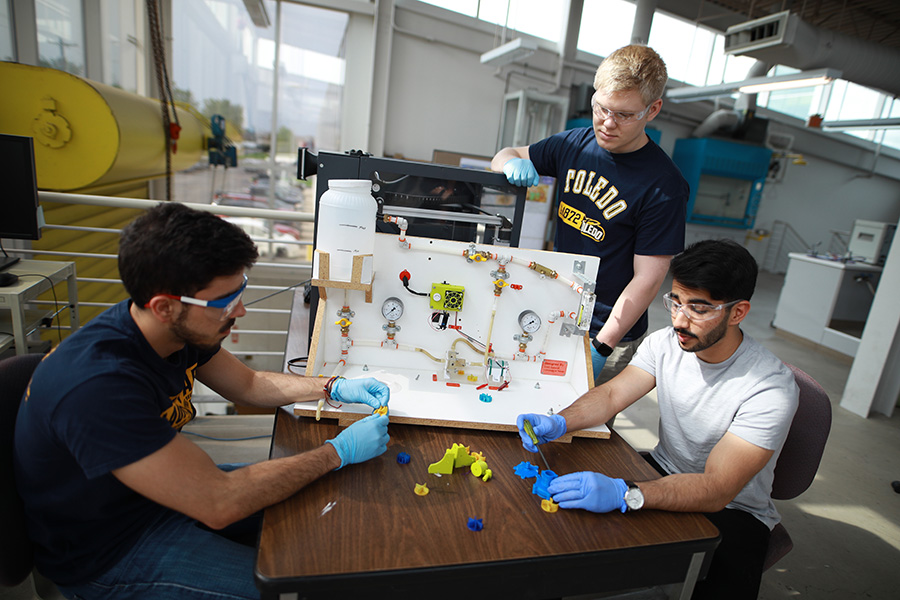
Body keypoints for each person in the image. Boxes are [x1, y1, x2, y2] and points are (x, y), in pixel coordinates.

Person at [14, 202, 391, 600]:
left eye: (240, 292)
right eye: (225, 303)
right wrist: (335, 452)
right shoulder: (95, 387)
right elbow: (219, 501)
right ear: (164, 306)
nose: (240, 310)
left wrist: (331, 387)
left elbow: (247, 383)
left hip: (155, 496)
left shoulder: (171, 331)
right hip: (109, 550)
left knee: (331, 518)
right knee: (301, 590)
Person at [516, 239, 799, 599]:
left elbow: (716, 489)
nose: (680, 320)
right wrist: (559, 421)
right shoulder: (665, 343)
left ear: (738, 312)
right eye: (675, 302)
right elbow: (612, 394)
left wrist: (626, 494)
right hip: (662, 470)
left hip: (734, 511)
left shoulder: (768, 388)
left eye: (698, 309)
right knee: (561, 543)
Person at [492, 44, 688, 386]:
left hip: (608, 330)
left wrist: (602, 346)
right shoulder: (572, 145)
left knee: (586, 431)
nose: (608, 123)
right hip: (554, 313)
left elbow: (648, 278)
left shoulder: (664, 186)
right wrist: (509, 163)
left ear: (652, 109)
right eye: (602, 108)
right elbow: (505, 153)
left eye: (625, 114)